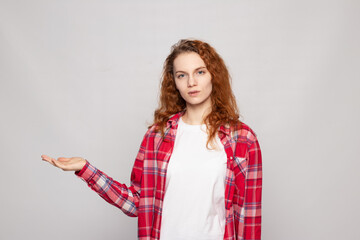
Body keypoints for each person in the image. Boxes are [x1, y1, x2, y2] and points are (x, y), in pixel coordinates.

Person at [41, 39, 262, 240]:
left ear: (214, 75)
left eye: (200, 72)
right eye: (182, 75)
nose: (191, 82)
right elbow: (137, 203)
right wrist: (86, 169)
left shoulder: (241, 139)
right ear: (174, 82)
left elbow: (247, 216)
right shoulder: (157, 136)